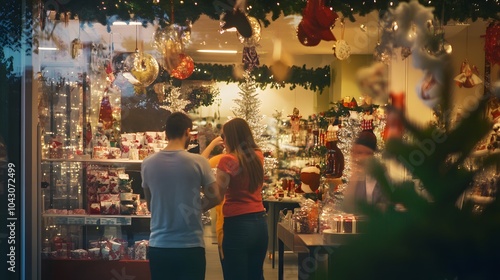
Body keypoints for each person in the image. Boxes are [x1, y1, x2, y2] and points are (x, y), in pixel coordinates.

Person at [141, 112, 222, 280]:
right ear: (187, 132)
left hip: (160, 245)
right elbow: (215, 196)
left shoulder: (148, 163)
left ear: (166, 133)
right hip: (191, 246)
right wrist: (197, 207)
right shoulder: (199, 162)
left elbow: (150, 205)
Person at [202, 118, 268, 280]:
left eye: (224, 137)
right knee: (256, 275)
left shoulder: (227, 160)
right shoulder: (258, 155)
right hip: (260, 224)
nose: (223, 141)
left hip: (237, 225)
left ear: (232, 137)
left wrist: (198, 205)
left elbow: (217, 195)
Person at [343, 130, 387, 213]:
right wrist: (354, 180)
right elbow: (347, 208)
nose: (362, 158)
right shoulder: (356, 178)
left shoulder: (383, 176)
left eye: (367, 154)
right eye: (359, 153)